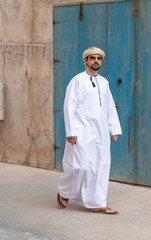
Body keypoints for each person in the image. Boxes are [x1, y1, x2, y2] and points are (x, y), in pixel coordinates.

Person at [57, 47, 122, 215]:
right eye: (92, 58)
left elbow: (109, 106)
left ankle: (98, 202)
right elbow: (68, 106)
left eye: (99, 58)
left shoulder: (104, 82)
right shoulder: (77, 81)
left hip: (100, 131)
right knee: (81, 166)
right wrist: (71, 131)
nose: (96, 61)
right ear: (85, 60)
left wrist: (113, 128)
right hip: (81, 131)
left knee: (101, 166)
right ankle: (64, 191)